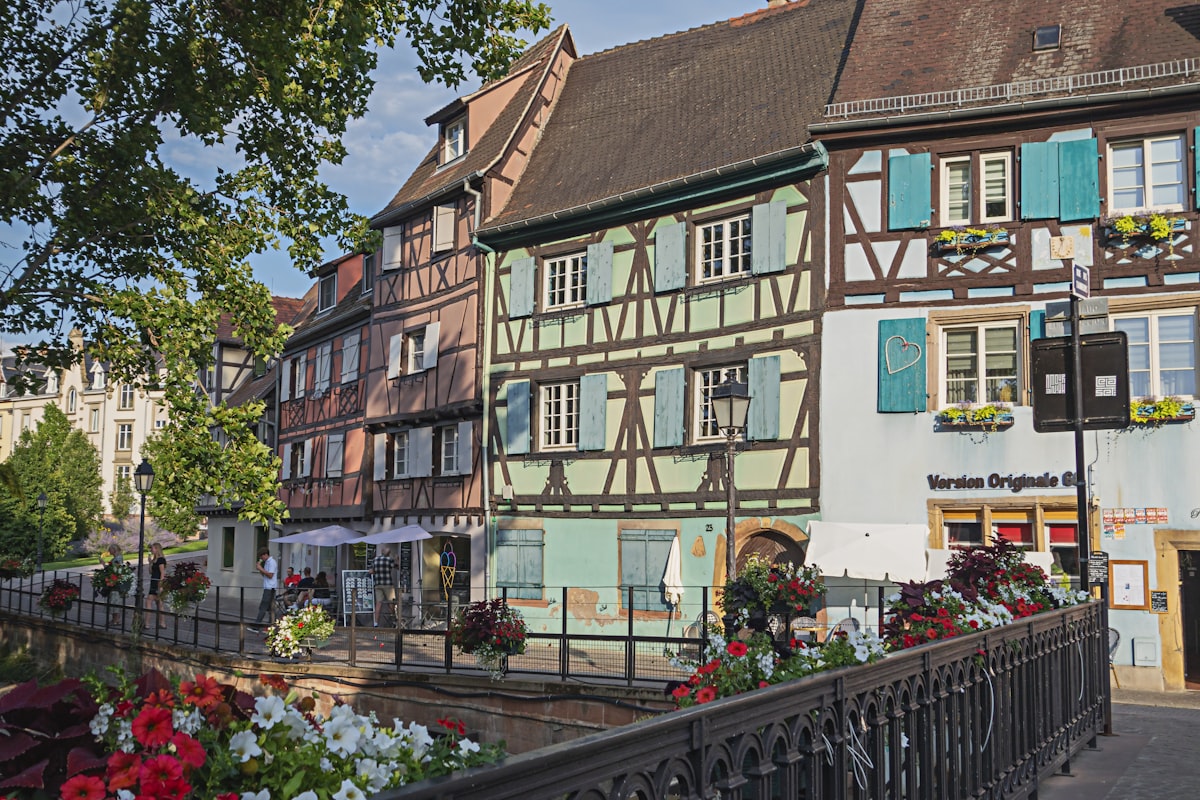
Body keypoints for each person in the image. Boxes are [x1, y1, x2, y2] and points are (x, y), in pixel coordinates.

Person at [371, 545, 398, 627]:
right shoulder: (389, 560)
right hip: (387, 584)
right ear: (389, 553)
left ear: (382, 552)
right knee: (391, 602)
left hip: (378, 584)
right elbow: (397, 567)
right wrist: (397, 559)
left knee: (378, 603)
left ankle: (375, 623)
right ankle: (393, 620)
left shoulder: (375, 559)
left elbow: (372, 571)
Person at [253, 547, 278, 628]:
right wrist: (260, 569)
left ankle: (256, 625)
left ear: (265, 554)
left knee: (263, 607)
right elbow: (265, 575)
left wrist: (261, 568)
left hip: (270, 588)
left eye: (261, 556)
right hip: (267, 587)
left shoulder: (272, 562)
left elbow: (270, 575)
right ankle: (271, 625)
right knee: (270, 608)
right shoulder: (267, 562)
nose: (261, 558)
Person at [146, 542, 168, 628]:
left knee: (154, 602)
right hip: (153, 581)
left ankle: (148, 623)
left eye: (152, 548)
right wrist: (150, 563)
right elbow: (151, 572)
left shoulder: (161, 560)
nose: (151, 550)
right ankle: (161, 623)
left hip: (158, 582)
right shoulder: (154, 560)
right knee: (157, 602)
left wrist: (161, 585)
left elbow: (162, 573)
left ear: (157, 549)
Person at [105, 544, 124, 626]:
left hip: (115, 582)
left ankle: (116, 619)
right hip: (113, 581)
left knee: (115, 600)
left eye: (110, 549)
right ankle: (114, 619)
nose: (109, 551)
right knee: (113, 600)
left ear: (114, 550)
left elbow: (115, 569)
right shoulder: (116, 558)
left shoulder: (118, 558)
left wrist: (104, 565)